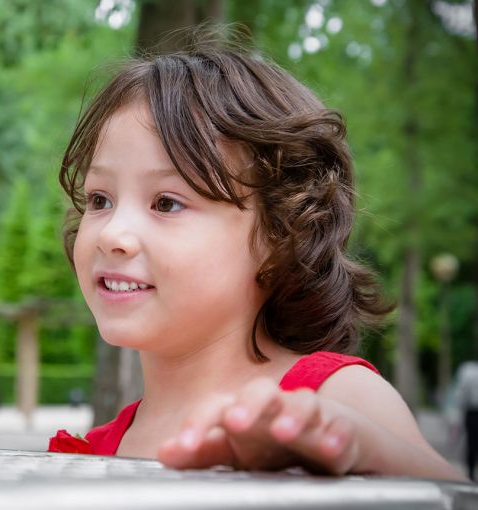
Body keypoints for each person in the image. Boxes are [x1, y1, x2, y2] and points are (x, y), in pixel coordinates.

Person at [46, 40, 464, 480]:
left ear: (280, 235)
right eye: (99, 199)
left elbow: (452, 493)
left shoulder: (332, 399)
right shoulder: (96, 450)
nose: (112, 234)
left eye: (166, 203)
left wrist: (363, 447)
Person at [454, 361, 478, 480]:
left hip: (472, 412)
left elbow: (462, 392)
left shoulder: (467, 370)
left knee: (472, 442)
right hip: (472, 410)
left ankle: (471, 472)